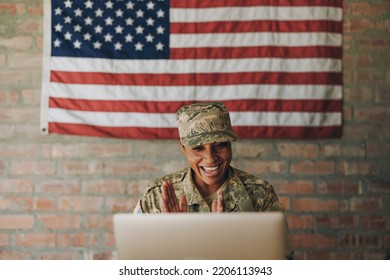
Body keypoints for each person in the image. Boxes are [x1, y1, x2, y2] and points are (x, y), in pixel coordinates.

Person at [133, 102, 294, 259]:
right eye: (198, 148)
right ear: (183, 147)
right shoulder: (157, 196)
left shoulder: (259, 194)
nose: (210, 159)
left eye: (220, 145)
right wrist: (174, 239)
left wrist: (225, 246)